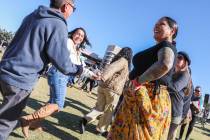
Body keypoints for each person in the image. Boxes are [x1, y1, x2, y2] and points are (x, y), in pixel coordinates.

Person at [0, 0, 79, 139]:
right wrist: (79, 70)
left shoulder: (32, 16)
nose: (73, 11)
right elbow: (63, 63)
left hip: (5, 69)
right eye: (74, 8)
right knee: (5, 124)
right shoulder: (58, 24)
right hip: (20, 79)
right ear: (66, 6)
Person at [108, 16, 178, 140]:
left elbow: (165, 64)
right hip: (141, 95)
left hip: (148, 97)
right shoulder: (160, 47)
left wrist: (137, 82)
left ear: (172, 31)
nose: (155, 26)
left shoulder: (167, 45)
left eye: (161, 24)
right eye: (155, 23)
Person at [19, 27, 97, 138]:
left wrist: (92, 75)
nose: (79, 37)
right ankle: (27, 119)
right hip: (59, 74)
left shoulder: (76, 49)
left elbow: (81, 67)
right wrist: (82, 69)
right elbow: (70, 61)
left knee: (52, 102)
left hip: (61, 76)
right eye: (77, 34)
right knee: (58, 105)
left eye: (82, 36)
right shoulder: (68, 42)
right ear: (73, 34)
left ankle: (35, 124)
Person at [80, 47, 133, 136]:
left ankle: (85, 120)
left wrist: (103, 78)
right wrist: (104, 77)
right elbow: (112, 68)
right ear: (130, 55)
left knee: (99, 108)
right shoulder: (124, 61)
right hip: (113, 89)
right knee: (109, 111)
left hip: (103, 86)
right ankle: (101, 129)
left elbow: (114, 69)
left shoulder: (117, 60)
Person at [167, 51, 191, 140]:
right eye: (176, 56)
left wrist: (161, 80)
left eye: (180, 57)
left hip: (174, 114)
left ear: (185, 62)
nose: (177, 58)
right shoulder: (172, 72)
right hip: (166, 110)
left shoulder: (185, 75)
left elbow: (174, 87)